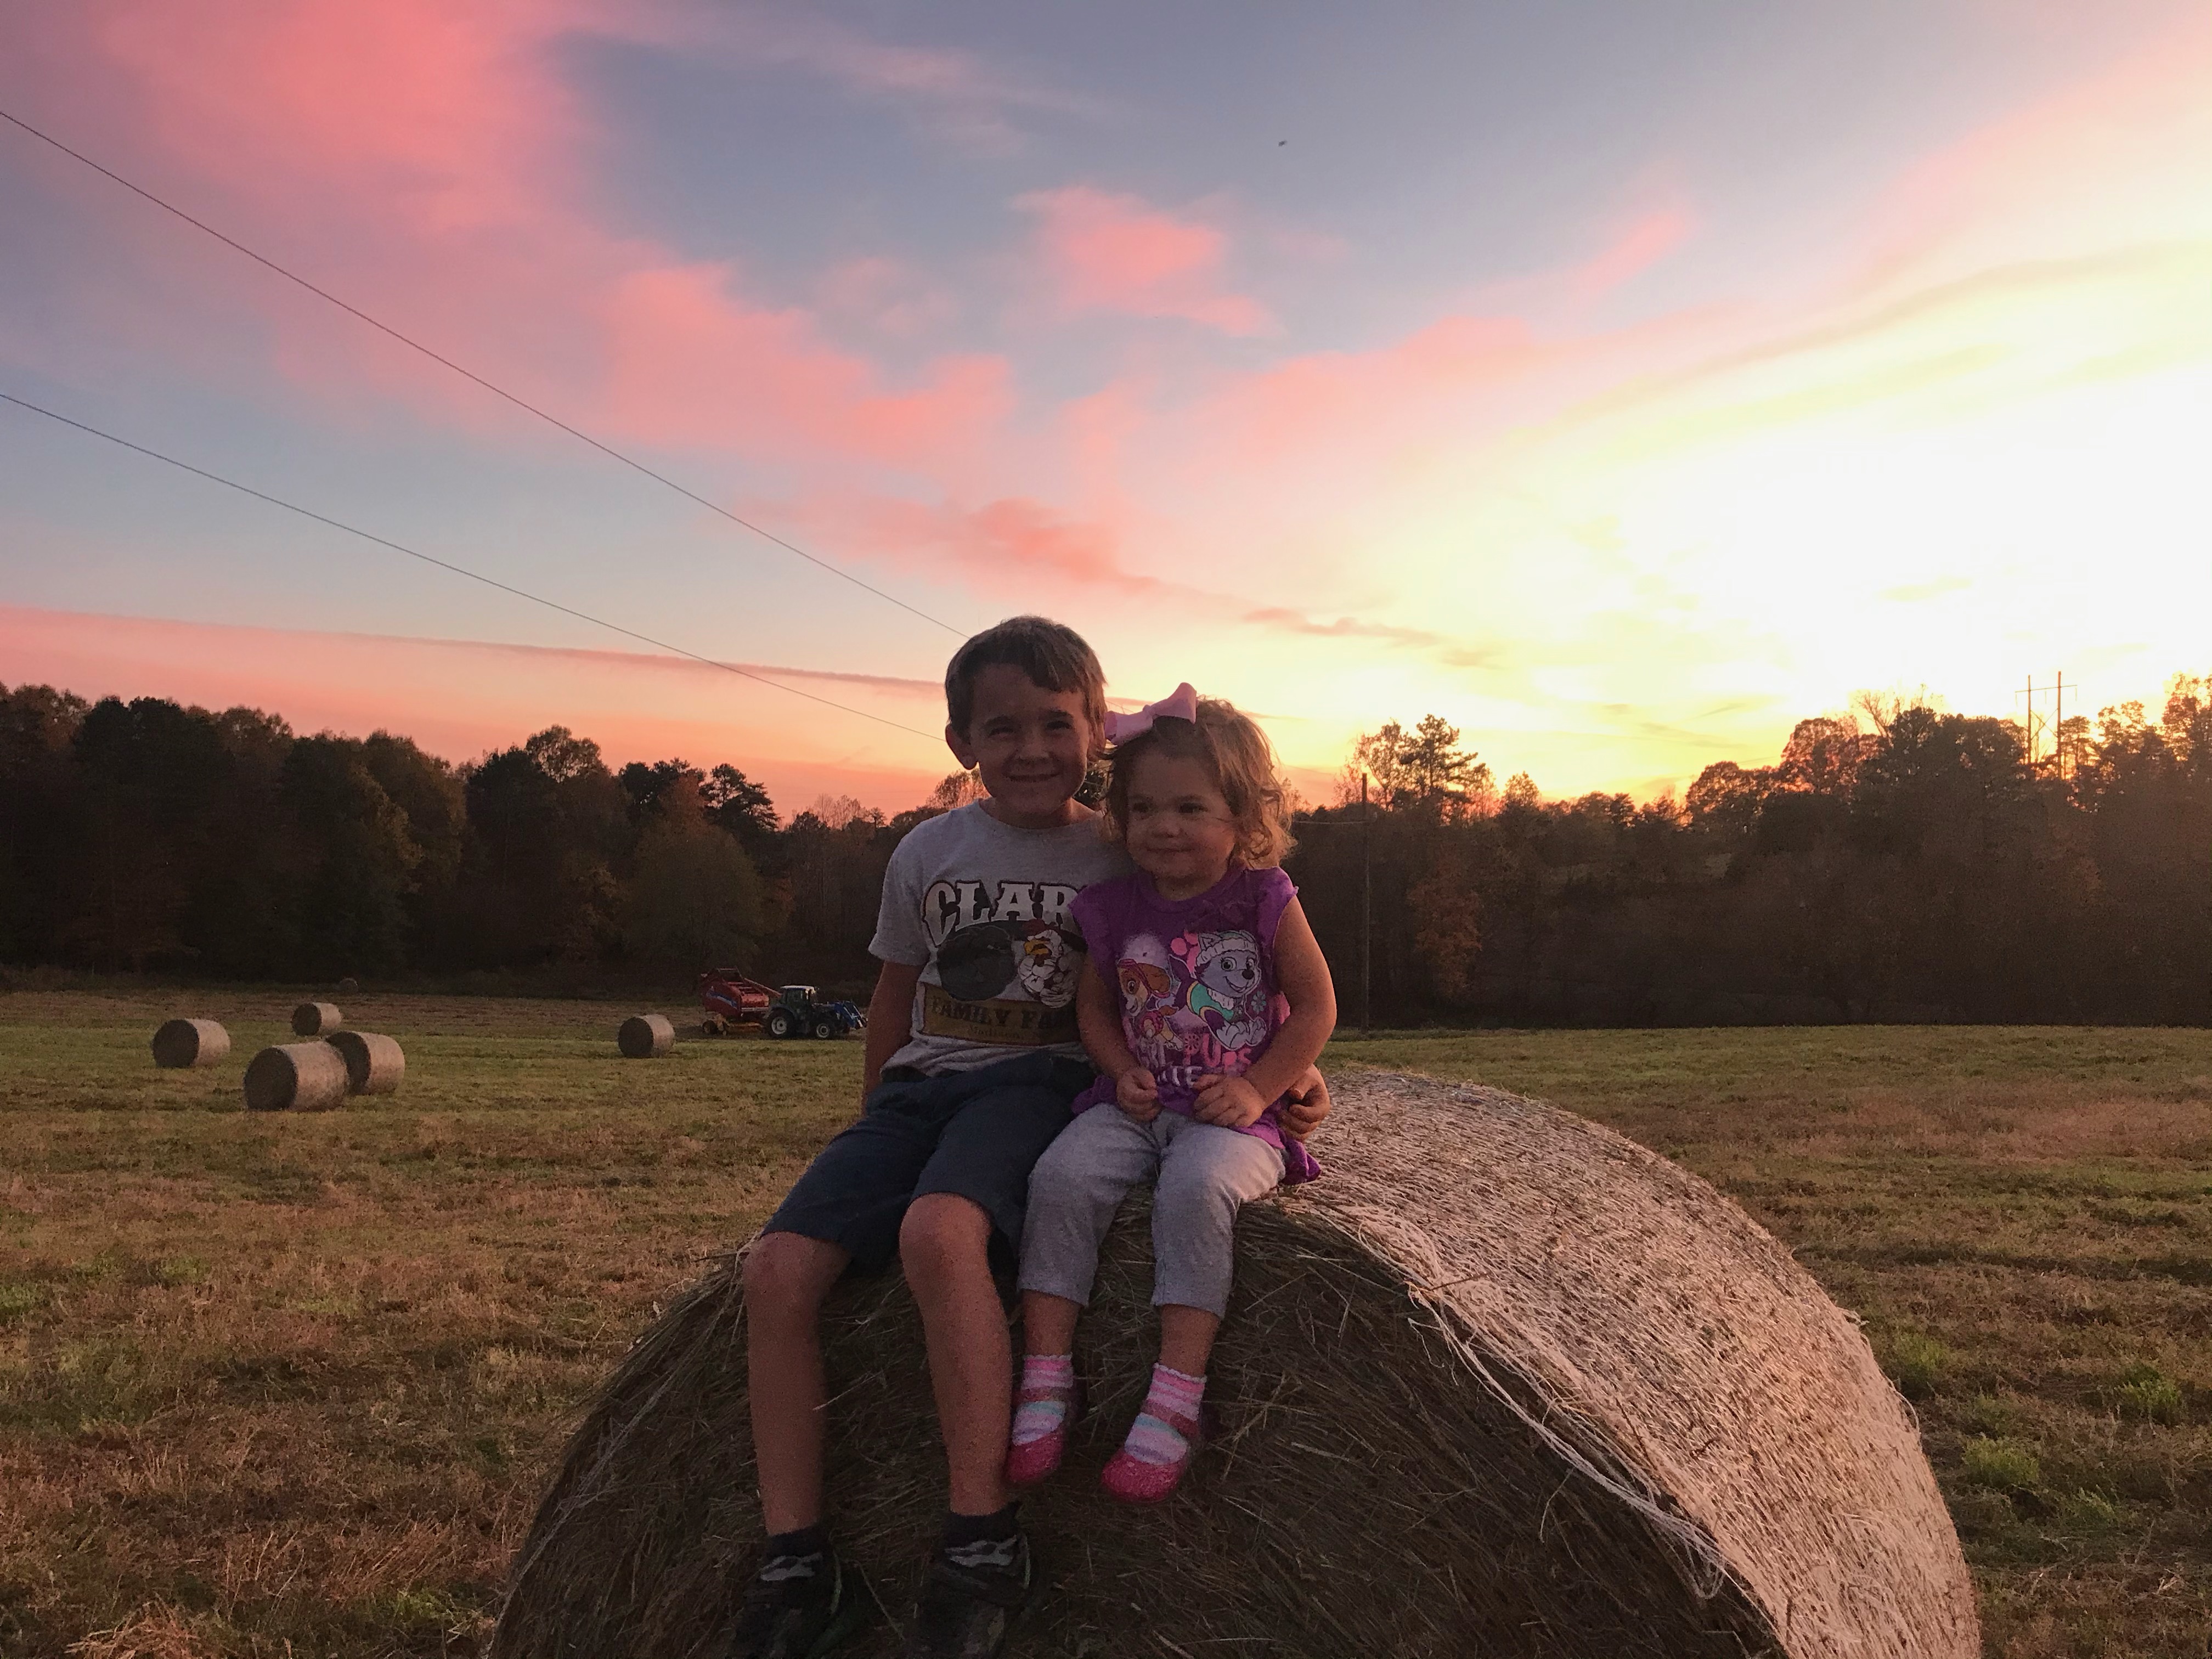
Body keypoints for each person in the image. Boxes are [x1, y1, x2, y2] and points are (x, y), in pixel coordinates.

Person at [733, 617, 1129, 1659]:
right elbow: (893, 990)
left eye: (1057, 723)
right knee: (773, 1270)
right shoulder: (927, 850)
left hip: (1038, 1083)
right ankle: (796, 1559)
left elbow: (1217, 950)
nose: (1033, 749)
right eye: (1003, 729)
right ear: (962, 745)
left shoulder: (1121, 851)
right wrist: (874, 1116)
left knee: (938, 1237)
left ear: (1098, 725)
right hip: (919, 1090)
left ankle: (981, 1534)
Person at [1006, 684, 1336, 1504]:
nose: (1165, 826)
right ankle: (1046, 1378)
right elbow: (1093, 1006)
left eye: (1191, 807)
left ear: (1243, 817)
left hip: (1234, 1121)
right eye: (1145, 807)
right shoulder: (1113, 907)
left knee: (1193, 1190)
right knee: (1059, 1178)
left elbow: (1318, 1005)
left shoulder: (1264, 896)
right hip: (1137, 1105)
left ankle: (1175, 1397)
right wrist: (1120, 1067)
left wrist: (1262, 1090)